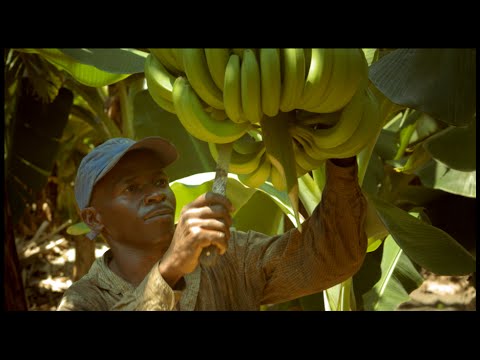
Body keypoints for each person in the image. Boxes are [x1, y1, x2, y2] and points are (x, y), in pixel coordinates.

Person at [57, 136, 367, 311]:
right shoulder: (84, 302)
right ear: (93, 218)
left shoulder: (227, 256)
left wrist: (340, 159)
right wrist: (170, 269)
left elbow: (331, 259)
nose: (156, 195)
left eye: (159, 182)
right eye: (132, 188)